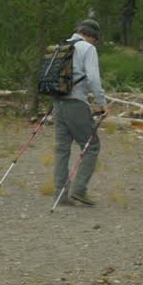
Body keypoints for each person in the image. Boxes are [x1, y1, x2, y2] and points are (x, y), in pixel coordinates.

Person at [53, 19, 107, 206]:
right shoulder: (87, 49)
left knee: (62, 149)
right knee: (91, 146)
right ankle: (79, 190)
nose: (95, 43)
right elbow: (93, 78)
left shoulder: (62, 46)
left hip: (58, 103)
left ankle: (60, 194)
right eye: (96, 39)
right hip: (76, 103)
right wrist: (101, 103)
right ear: (92, 35)